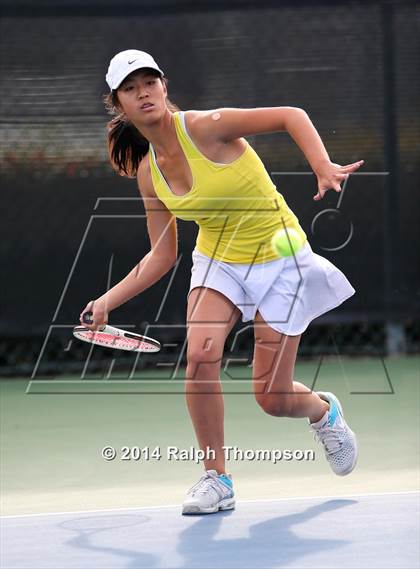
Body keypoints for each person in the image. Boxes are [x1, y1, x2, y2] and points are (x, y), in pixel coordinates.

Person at [80, 49, 363, 515]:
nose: (143, 92)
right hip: (218, 259)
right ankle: (217, 478)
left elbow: (292, 115)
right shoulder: (149, 174)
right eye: (131, 88)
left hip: (277, 254)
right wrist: (107, 300)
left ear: (164, 87)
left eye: (150, 82)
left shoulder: (206, 126)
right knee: (200, 357)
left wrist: (322, 165)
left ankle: (322, 412)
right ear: (118, 103)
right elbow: (162, 254)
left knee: (271, 398)